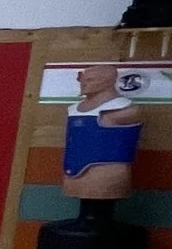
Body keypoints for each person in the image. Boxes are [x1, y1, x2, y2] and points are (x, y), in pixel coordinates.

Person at [61, 62, 143, 201]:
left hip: (107, 174)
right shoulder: (73, 110)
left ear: (107, 82)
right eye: (83, 80)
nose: (84, 84)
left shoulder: (126, 110)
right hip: (73, 172)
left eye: (90, 80)